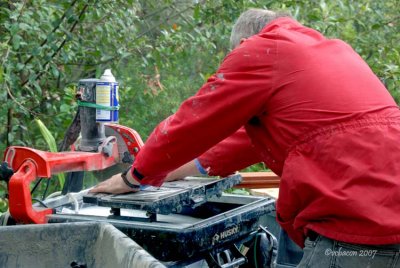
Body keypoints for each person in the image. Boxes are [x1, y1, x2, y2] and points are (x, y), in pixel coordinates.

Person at [91, 8, 400, 267]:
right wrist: (158, 173)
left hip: (358, 227)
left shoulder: (264, 49)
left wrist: (134, 177)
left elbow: (194, 121)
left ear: (242, 43)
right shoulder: (329, 53)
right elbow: (229, 148)